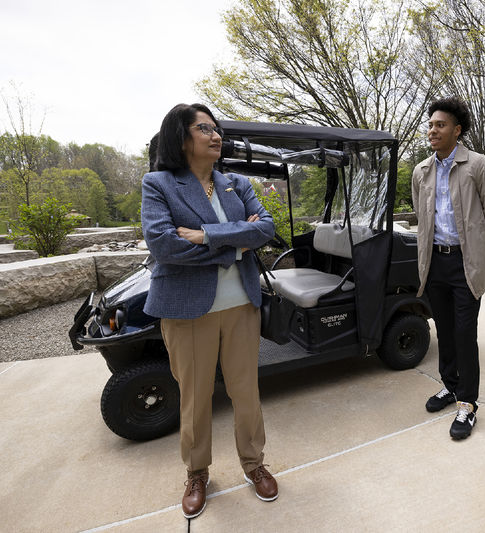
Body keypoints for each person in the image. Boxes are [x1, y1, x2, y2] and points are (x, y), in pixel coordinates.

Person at [141, 103, 279, 518]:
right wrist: (235, 246)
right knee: (196, 397)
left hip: (242, 306)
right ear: (181, 138)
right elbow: (163, 244)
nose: (216, 135)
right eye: (205, 129)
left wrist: (206, 237)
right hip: (188, 311)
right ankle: (197, 472)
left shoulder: (235, 182)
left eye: (217, 129)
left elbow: (266, 228)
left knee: (246, 393)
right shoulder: (158, 183)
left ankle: (254, 465)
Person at [412, 96, 485, 440]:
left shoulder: (478, 165)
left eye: (440, 125)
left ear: (457, 130)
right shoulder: (422, 170)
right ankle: (449, 387)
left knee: (465, 334)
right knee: (446, 331)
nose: (433, 130)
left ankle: (467, 403)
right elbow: (423, 218)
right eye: (431, 125)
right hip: (435, 261)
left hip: (465, 263)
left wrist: (477, 240)